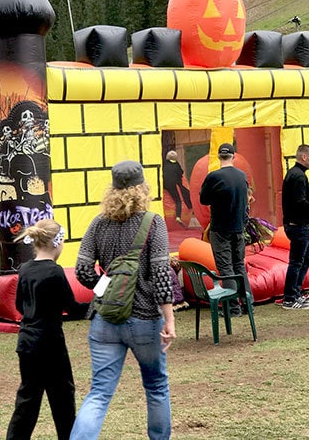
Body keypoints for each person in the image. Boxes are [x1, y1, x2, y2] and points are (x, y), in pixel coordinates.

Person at [71, 160, 175, 440]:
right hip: (145, 319)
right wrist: (170, 319)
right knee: (156, 387)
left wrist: (105, 288)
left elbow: (82, 270)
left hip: (104, 320)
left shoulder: (98, 223)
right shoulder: (154, 223)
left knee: (99, 393)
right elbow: (161, 273)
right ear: (143, 187)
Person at [6, 219, 87, 440]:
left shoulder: (25, 269)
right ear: (57, 242)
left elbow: (19, 306)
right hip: (50, 343)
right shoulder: (55, 272)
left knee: (27, 400)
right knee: (62, 397)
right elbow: (72, 308)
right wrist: (97, 305)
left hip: (27, 342)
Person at [199, 143, 250, 317]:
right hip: (239, 227)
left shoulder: (213, 177)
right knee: (239, 266)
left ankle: (233, 308)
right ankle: (248, 303)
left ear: (219, 157)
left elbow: (204, 200)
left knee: (226, 267)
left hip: (220, 228)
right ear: (233, 156)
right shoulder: (242, 175)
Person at [279, 144, 309, 310]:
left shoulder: (295, 174)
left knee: (306, 259)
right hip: (297, 225)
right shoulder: (298, 176)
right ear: (304, 157)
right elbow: (300, 202)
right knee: (296, 262)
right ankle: (290, 298)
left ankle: (295, 291)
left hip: (295, 224)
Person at [162, 150, 193, 227]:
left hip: (164, 185)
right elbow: (181, 173)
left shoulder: (164, 164)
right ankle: (178, 216)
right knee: (178, 200)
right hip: (173, 185)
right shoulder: (176, 165)